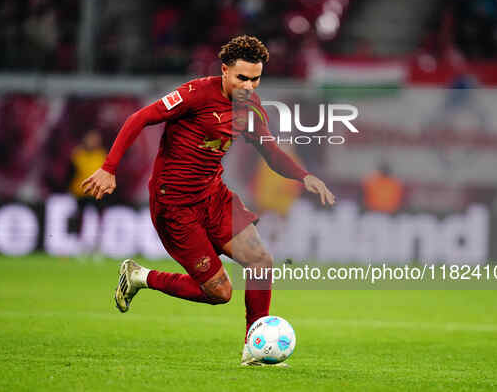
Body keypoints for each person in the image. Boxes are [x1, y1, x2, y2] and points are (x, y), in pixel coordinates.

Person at [81, 35, 335, 366]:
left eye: (256, 78)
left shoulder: (252, 108)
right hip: (174, 204)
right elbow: (139, 118)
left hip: (213, 196)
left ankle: (253, 350)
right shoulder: (195, 93)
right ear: (225, 70)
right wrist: (108, 168)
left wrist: (305, 176)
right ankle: (141, 277)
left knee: (261, 261)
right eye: (242, 77)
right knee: (220, 293)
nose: (248, 85)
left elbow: (270, 151)